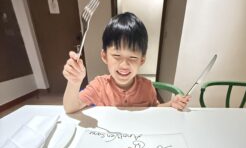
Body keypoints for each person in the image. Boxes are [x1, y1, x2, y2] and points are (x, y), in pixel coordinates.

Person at [62, 12, 190, 113]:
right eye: (117, 55)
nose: (124, 65)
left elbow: (154, 109)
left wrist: (171, 104)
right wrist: (74, 82)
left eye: (133, 58)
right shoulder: (99, 86)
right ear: (104, 56)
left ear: (142, 60)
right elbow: (71, 107)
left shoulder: (147, 87)